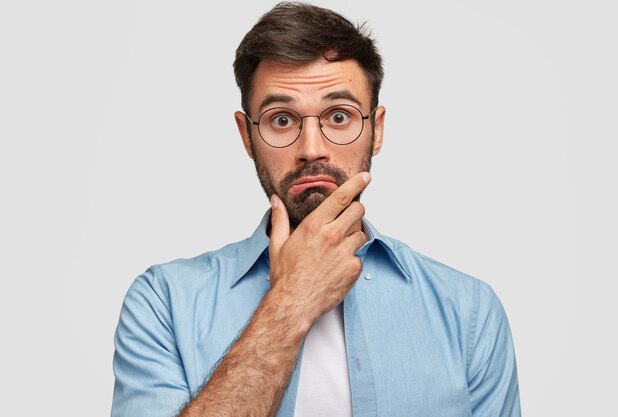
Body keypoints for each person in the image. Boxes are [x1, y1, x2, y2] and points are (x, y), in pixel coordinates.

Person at [111, 2, 521, 416]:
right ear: (247, 136)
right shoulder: (163, 301)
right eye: (282, 120)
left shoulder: (468, 311)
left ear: (376, 129)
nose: (311, 150)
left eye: (339, 116)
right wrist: (293, 299)